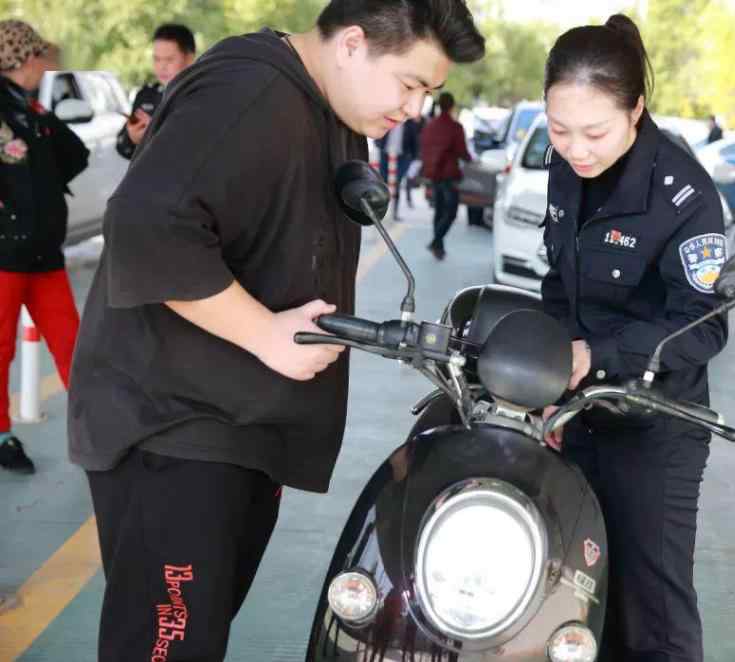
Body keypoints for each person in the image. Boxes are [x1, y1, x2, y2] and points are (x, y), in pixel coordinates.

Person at [67, 1, 483, 659]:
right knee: (167, 646)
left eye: (428, 93)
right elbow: (146, 227)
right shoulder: (251, 90)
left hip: (236, 428)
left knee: (196, 639)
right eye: (409, 84)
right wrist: (263, 333)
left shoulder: (331, 107)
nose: (414, 108)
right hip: (177, 428)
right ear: (351, 44)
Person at [540, 15, 727, 662]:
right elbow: (558, 284)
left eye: (594, 131)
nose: (576, 149)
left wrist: (597, 355)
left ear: (636, 109)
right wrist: (549, 368)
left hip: (656, 429)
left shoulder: (684, 193)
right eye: (558, 129)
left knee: (654, 613)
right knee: (577, 587)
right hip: (579, 414)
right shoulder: (564, 168)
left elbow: (704, 323)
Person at [0, 20, 89, 474]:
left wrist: (42, 179)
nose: (45, 67)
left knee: (71, 341)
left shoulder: (32, 109)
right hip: (5, 252)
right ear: (24, 60)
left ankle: (93, 429)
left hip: (44, 252)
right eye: (40, 58)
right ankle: (0, 435)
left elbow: (76, 153)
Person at [116, 23, 196, 160]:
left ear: (189, 58)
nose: (162, 66)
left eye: (169, 59)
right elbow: (123, 148)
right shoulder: (146, 95)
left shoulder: (204, 95)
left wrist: (156, 134)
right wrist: (133, 138)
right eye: (157, 59)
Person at [419, 91, 471, 259]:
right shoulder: (455, 127)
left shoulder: (430, 126)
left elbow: (424, 149)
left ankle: (438, 247)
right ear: (451, 106)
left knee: (439, 209)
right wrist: (470, 159)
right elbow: (462, 151)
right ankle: (436, 241)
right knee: (451, 211)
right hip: (449, 174)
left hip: (433, 173)